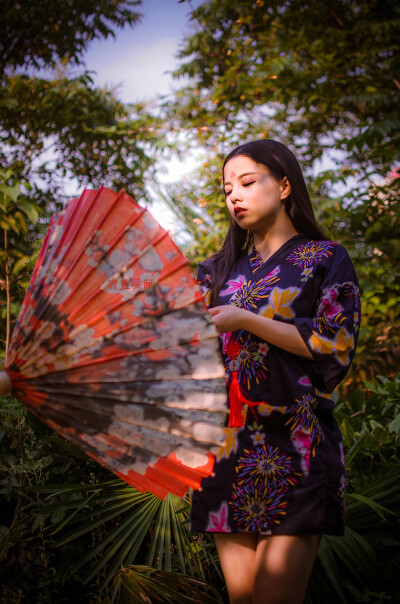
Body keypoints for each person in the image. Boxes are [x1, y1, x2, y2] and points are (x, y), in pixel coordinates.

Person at [189, 139, 360, 604]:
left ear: (284, 186)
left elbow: (334, 342)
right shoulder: (214, 273)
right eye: (227, 189)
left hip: (298, 445)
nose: (234, 197)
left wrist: (245, 319)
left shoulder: (326, 258)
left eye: (246, 183)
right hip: (228, 448)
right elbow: (178, 351)